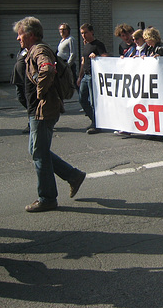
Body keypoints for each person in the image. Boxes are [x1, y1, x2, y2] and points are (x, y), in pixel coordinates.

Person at [14, 17, 86, 213]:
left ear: (30, 35)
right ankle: (72, 175)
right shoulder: (34, 49)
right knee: (37, 151)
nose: (18, 38)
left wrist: (39, 93)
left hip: (43, 109)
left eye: (20, 35)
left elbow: (47, 69)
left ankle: (47, 198)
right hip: (38, 109)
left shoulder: (39, 49)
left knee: (39, 153)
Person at [77, 24, 107, 134]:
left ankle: (97, 124)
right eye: (82, 33)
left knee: (94, 101)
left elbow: (106, 57)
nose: (83, 35)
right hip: (85, 76)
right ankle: (93, 120)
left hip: (93, 76)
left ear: (91, 32)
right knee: (82, 99)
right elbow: (83, 62)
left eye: (85, 32)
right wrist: (80, 77)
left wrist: (97, 56)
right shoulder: (86, 45)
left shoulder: (98, 44)